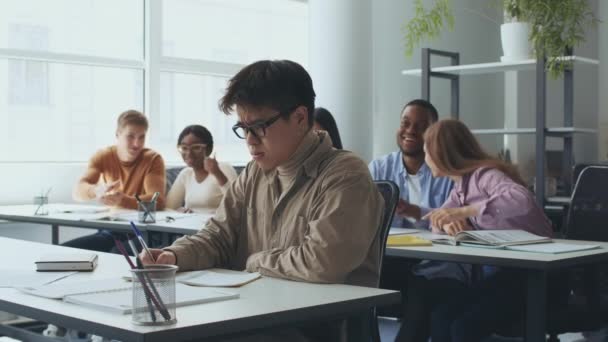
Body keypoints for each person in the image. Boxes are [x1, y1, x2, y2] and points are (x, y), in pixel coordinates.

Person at [140, 60, 384, 341]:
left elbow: (322, 262)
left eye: (259, 126)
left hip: (317, 325)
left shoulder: (345, 174)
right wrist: (173, 255)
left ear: (300, 118)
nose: (250, 140)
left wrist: (255, 261)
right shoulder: (255, 172)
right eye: (243, 128)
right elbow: (219, 236)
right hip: (254, 312)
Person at [395, 119, 553, 342]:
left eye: (427, 150)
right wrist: (448, 222)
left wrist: (463, 213)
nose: (425, 157)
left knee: (462, 327)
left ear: (442, 153)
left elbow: (521, 200)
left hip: (533, 277)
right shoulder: (460, 187)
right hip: (505, 275)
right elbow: (438, 218)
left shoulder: (485, 175)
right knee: (441, 317)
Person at [64, 110, 166, 252]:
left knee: (113, 253)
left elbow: (157, 200)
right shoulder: (103, 156)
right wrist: (96, 190)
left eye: (141, 137)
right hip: (112, 228)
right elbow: (78, 191)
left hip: (141, 230)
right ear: (117, 134)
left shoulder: (152, 159)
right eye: (130, 136)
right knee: (65, 251)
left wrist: (122, 200)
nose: (137, 144)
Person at [368, 99, 452, 228]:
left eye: (422, 127)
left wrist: (413, 211)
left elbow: (456, 219)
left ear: (434, 133)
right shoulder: (378, 169)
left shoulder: (448, 173)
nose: (411, 131)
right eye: (405, 123)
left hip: (440, 247)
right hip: (388, 247)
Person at [165, 125, 237, 214]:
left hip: (216, 226)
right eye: (184, 148)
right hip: (188, 225)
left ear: (209, 149)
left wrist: (217, 173)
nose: (189, 153)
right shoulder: (186, 174)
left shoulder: (223, 168)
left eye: (196, 147)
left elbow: (236, 204)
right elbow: (168, 207)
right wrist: (178, 211)